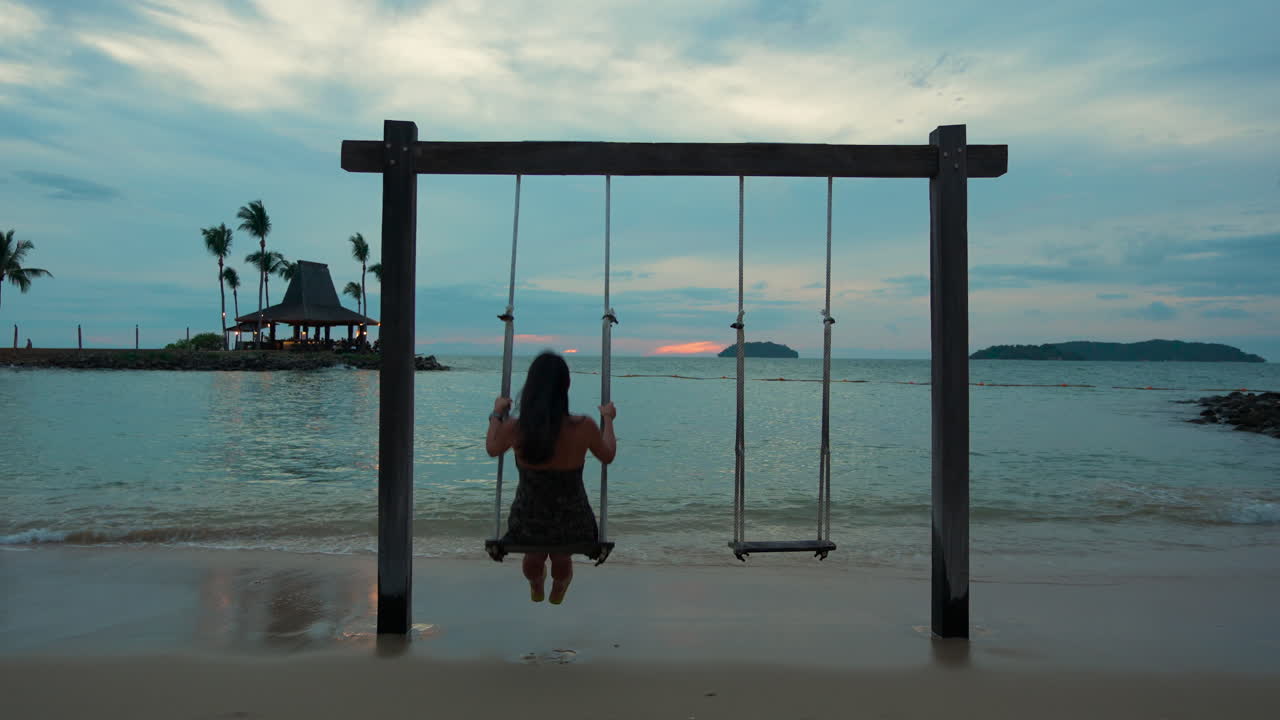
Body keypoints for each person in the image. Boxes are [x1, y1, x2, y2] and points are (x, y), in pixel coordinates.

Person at [486, 351, 616, 604]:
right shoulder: (584, 426)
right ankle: (560, 584)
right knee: (562, 554)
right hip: (574, 524)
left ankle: (536, 583)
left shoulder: (515, 427)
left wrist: (496, 415)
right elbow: (608, 455)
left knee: (533, 557)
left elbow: (492, 448)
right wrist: (608, 420)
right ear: (565, 387)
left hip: (527, 523)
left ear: (531, 385)